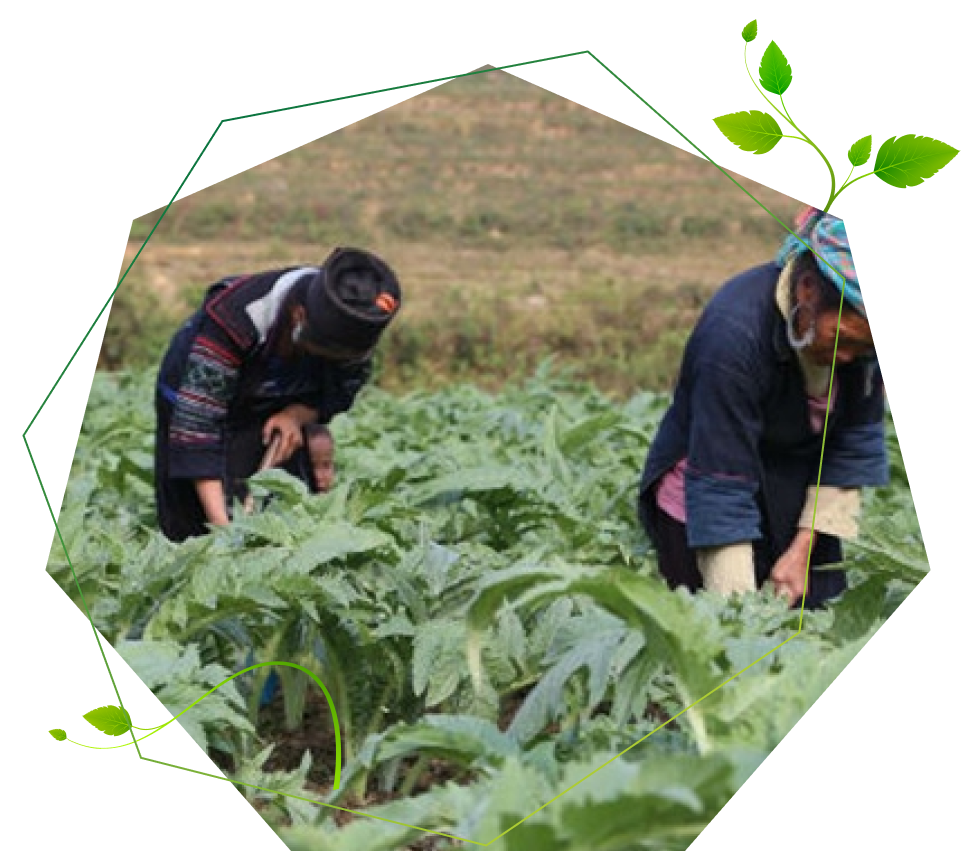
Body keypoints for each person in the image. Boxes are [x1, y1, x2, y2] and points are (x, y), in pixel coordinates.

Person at [636, 208, 887, 609]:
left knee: (817, 622)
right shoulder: (732, 338)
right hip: (705, 494)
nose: (848, 357)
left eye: (864, 349)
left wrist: (802, 550)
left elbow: (850, 447)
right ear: (807, 291)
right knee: (720, 629)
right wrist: (741, 620)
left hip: (792, 488)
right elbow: (721, 486)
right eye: (842, 340)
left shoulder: (860, 350)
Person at [155, 247, 401, 542]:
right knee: (196, 528)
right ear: (299, 317)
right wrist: (224, 533)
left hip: (272, 404)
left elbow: (342, 389)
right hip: (192, 401)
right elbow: (197, 428)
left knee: (281, 513)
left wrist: (296, 415)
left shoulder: (353, 323)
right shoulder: (238, 317)